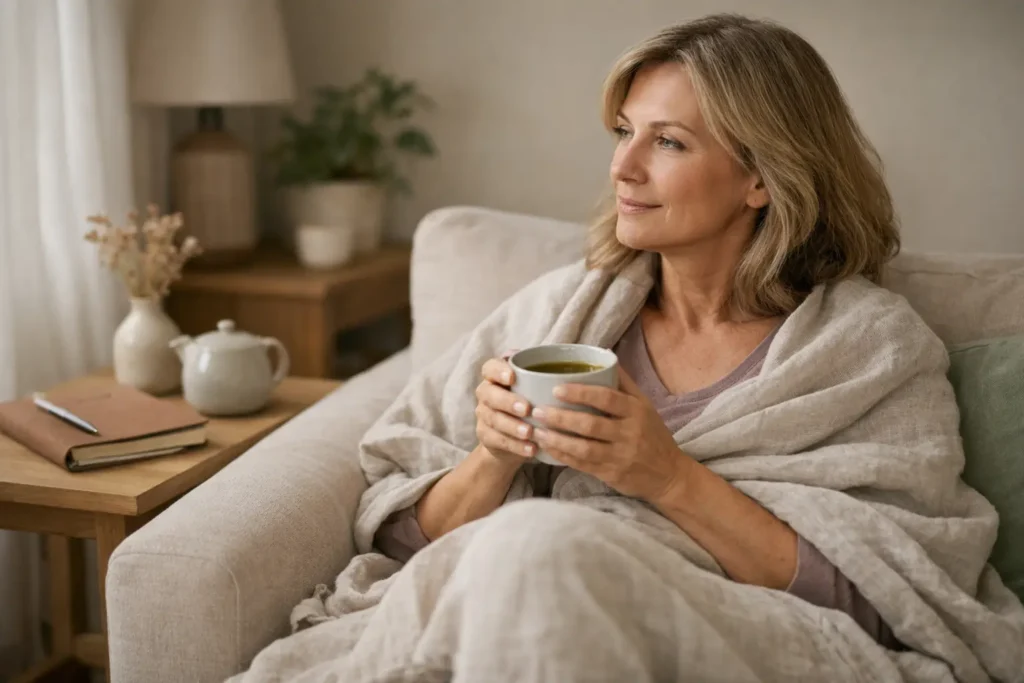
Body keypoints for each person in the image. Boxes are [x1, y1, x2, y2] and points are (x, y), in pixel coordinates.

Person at [235, 14, 1024, 683]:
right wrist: (491, 457)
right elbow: (403, 541)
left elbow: (883, 600)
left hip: (745, 635)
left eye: (668, 142)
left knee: (539, 547)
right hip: (519, 615)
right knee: (525, 549)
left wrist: (667, 476)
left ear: (761, 177)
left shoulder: (869, 348)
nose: (623, 166)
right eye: (623, 132)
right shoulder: (558, 311)